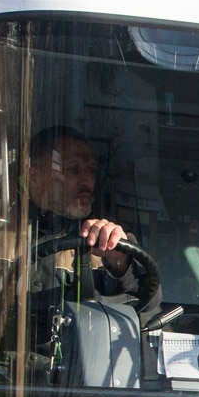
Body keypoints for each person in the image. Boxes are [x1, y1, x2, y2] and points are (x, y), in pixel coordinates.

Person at [25, 126, 144, 303]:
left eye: (91, 171)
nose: (88, 181)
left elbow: (145, 309)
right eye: (74, 169)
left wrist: (121, 261)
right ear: (34, 177)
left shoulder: (104, 242)